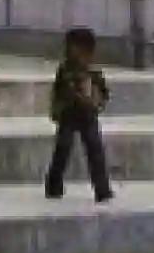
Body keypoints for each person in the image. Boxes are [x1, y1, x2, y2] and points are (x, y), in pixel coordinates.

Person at [45, 27, 114, 202]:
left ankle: (102, 189)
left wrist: (95, 100)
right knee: (62, 150)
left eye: (78, 49)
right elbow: (57, 92)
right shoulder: (65, 70)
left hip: (88, 116)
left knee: (95, 151)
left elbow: (103, 94)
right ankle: (54, 184)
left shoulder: (94, 72)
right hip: (68, 114)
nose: (74, 53)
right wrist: (58, 109)